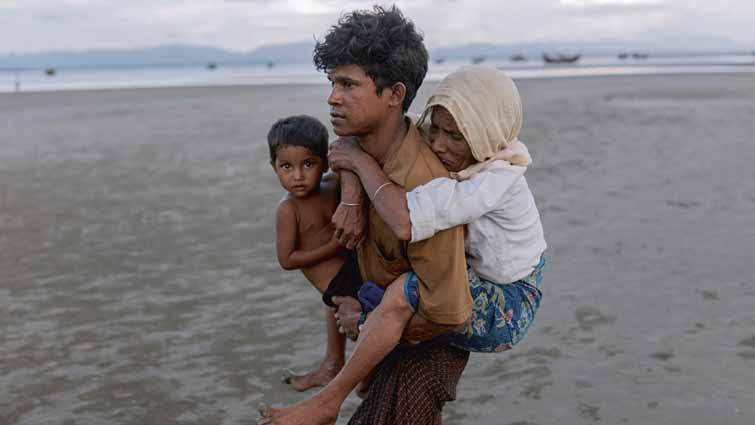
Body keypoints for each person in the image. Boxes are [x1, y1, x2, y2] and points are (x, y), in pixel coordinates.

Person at [259, 6, 472, 425]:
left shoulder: (424, 186)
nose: (332, 97)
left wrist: (368, 318)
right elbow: (344, 152)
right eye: (332, 82)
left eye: (348, 85)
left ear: (394, 94)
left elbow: (448, 310)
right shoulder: (352, 152)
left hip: (424, 351)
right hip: (380, 343)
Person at [329, 65, 547, 354]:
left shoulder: (495, 180)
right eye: (436, 129)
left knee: (413, 286)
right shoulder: (462, 139)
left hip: (509, 303)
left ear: (486, 132)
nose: (439, 144)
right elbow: (365, 132)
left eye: (454, 136)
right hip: (486, 273)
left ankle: (365, 322)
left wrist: (359, 162)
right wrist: (351, 196)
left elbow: (405, 221)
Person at [267, 115, 362, 392]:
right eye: (286, 166)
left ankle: (335, 365)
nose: (297, 176)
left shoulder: (331, 185)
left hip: (353, 266)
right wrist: (332, 247)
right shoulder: (288, 210)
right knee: (355, 316)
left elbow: (347, 166)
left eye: (308, 164)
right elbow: (287, 260)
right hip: (336, 283)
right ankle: (351, 371)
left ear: (323, 162)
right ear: (274, 167)